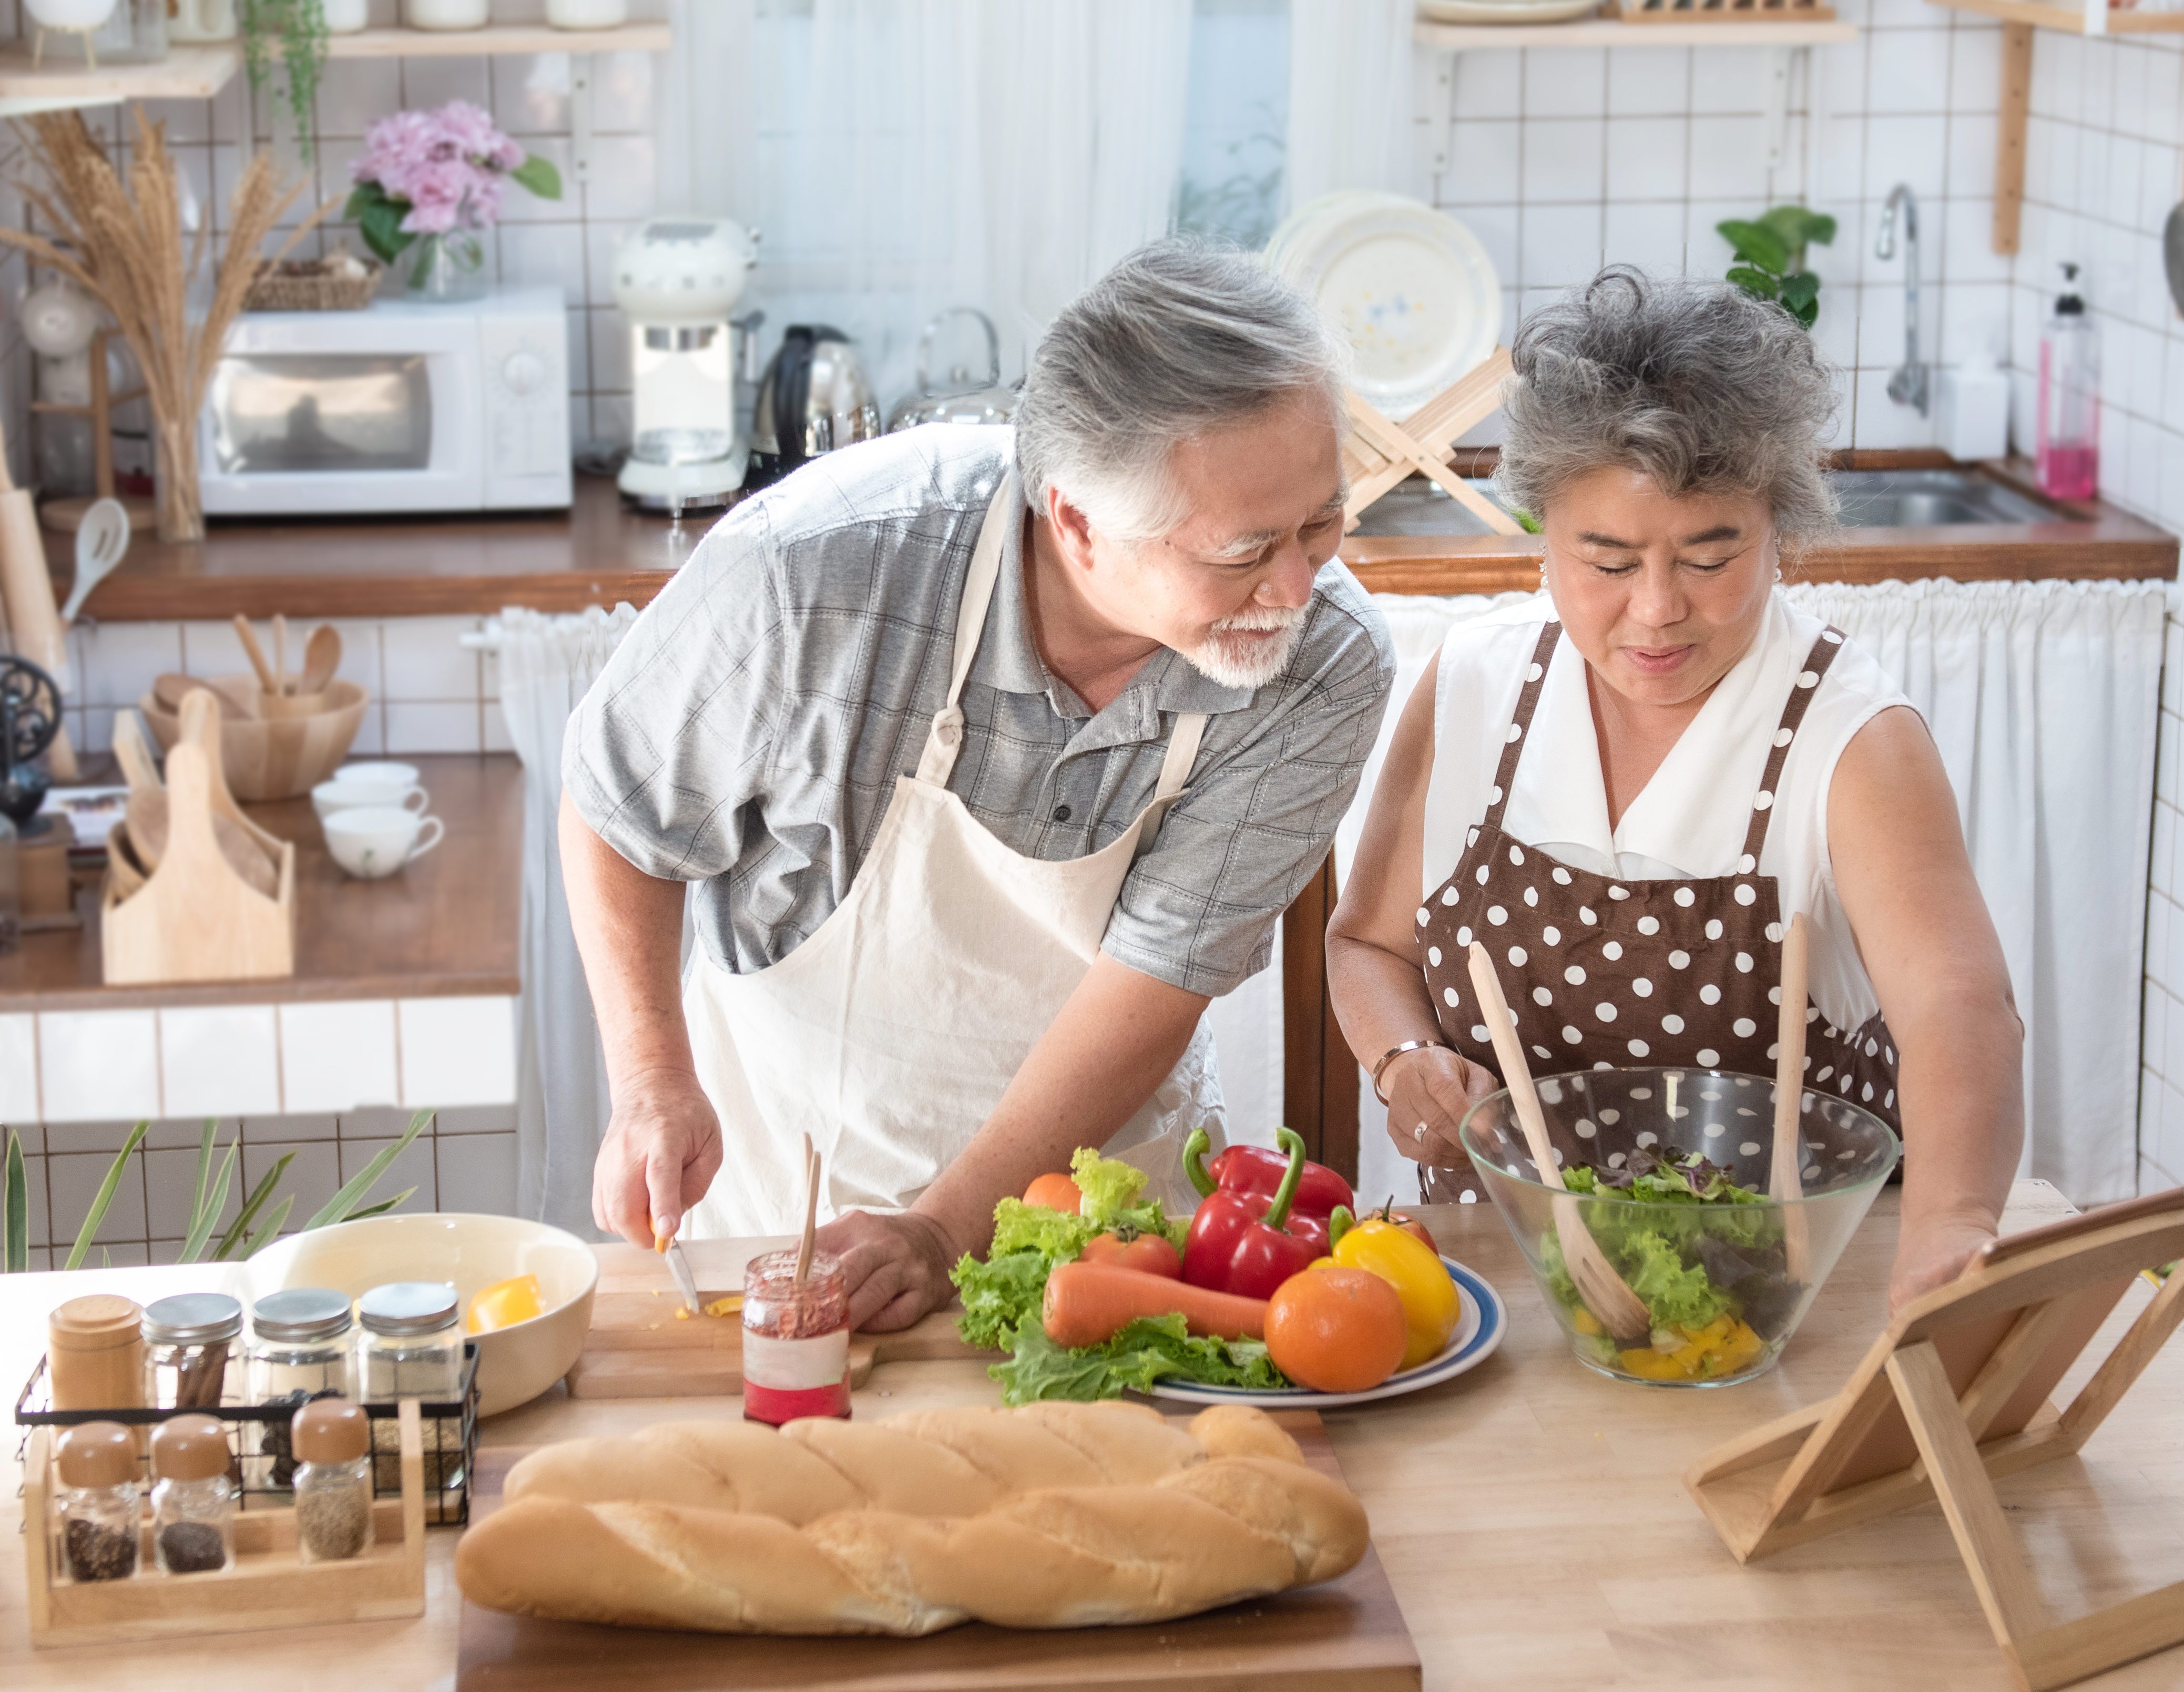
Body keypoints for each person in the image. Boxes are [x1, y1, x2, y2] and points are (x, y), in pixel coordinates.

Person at [560, 242, 1394, 1329]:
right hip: (785, 1186)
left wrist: (946, 1228)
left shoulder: (1324, 664)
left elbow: (1158, 980)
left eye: (1322, 522)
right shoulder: (812, 576)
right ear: (1080, 522)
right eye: (1245, 550)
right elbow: (623, 813)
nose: (1296, 588)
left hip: (1100, 1221)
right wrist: (651, 1082)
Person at [1326, 269, 2022, 1311]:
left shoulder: (1846, 734)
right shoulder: (1474, 684)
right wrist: (1403, 1056)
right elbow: (1368, 944)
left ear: (1777, 528)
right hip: (1511, 1291)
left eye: (1709, 556)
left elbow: (1957, 1008)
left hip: (1791, 1299)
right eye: (1604, 561)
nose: (1655, 611)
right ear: (1542, 533)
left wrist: (1952, 1228)